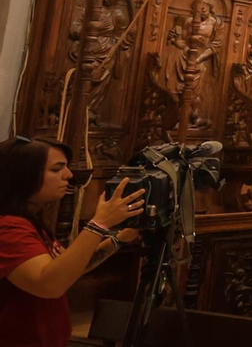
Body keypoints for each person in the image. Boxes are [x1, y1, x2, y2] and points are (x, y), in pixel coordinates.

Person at [1, 136, 146, 347]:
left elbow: (69, 268)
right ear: (24, 175)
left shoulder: (30, 223)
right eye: (56, 169)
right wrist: (99, 223)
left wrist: (120, 239)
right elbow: (50, 284)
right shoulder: (8, 228)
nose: (68, 175)